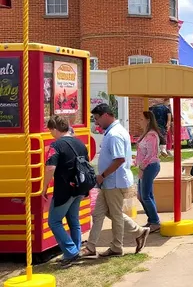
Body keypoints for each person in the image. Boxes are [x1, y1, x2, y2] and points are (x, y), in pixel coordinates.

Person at [83, 104, 150, 257]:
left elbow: (119, 159)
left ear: (106, 115)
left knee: (116, 215)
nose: (96, 122)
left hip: (113, 181)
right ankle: (91, 246)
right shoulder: (111, 132)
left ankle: (117, 247)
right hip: (108, 182)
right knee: (99, 213)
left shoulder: (114, 134)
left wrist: (103, 175)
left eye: (97, 118)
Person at [43, 115, 89, 267]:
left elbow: (50, 168)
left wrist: (44, 187)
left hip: (64, 190)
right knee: (73, 220)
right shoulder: (80, 143)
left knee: (54, 221)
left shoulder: (56, 146)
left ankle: (70, 251)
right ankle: (75, 250)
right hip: (80, 188)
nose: (50, 134)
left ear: (55, 129)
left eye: (50, 130)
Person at [135, 111, 162, 233]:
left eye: (141, 119)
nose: (139, 121)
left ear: (148, 120)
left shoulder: (152, 136)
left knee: (145, 195)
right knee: (143, 195)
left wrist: (142, 167)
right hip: (145, 166)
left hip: (150, 166)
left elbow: (151, 154)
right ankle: (152, 219)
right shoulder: (146, 134)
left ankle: (155, 221)